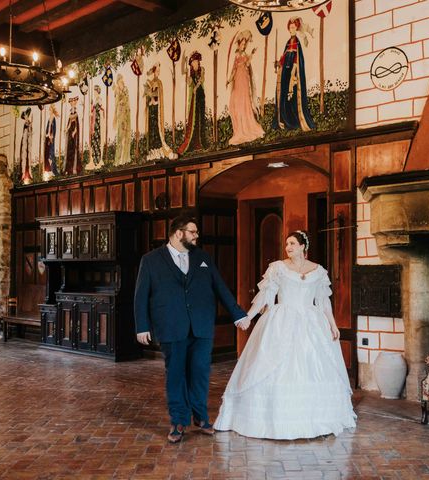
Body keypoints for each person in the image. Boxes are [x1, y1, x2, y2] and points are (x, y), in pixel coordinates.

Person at [215, 230, 356, 439]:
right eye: (286, 244)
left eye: (292, 243)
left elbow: (324, 301)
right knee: (274, 365)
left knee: (311, 365)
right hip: (282, 320)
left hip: (311, 322)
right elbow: (265, 296)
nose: (288, 247)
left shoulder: (318, 271)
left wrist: (333, 325)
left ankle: (314, 418)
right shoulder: (278, 268)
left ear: (302, 247)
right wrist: (248, 316)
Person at [134, 215, 248, 444]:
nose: (197, 236)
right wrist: (142, 326)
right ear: (179, 233)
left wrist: (238, 314)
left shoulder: (203, 257)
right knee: (175, 375)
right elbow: (140, 296)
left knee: (200, 374)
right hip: (171, 325)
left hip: (202, 326)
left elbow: (220, 287)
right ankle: (178, 421)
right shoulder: (151, 260)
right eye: (192, 232)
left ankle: (202, 418)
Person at [272, 17, 316, 132]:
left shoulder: (296, 42)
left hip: (293, 73)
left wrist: (293, 72)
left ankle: (294, 122)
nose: (291, 30)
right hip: (285, 73)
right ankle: (284, 121)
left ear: (296, 28)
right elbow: (284, 57)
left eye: (293, 28)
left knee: (292, 97)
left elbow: (297, 60)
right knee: (284, 96)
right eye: (290, 28)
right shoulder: (288, 43)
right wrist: (278, 63)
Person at [227, 30, 265, 145]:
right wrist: (229, 79)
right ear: (238, 44)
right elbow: (234, 69)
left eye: (244, 44)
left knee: (245, 100)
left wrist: (252, 54)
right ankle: (240, 129)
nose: (243, 46)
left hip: (244, 78)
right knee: (237, 101)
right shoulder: (237, 54)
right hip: (238, 78)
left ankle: (248, 126)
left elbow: (247, 64)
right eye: (242, 44)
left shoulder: (243, 54)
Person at [144, 63, 178, 161]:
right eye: (157, 70)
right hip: (152, 108)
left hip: (156, 108)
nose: (158, 72)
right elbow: (148, 95)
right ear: (154, 71)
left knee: (157, 128)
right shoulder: (150, 82)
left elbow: (159, 95)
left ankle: (159, 150)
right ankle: (152, 151)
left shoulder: (159, 82)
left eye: (159, 71)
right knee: (152, 129)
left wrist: (155, 100)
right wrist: (150, 99)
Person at [178, 51, 206, 155]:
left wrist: (196, 87)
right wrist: (183, 61)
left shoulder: (201, 70)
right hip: (194, 98)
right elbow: (183, 72)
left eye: (196, 61)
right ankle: (193, 143)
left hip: (200, 95)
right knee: (194, 119)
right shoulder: (190, 74)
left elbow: (201, 79)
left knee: (200, 118)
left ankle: (201, 142)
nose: (195, 63)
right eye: (193, 62)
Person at [113, 75, 131, 165]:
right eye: (120, 81)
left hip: (126, 114)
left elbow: (127, 101)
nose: (122, 82)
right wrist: (115, 117)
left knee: (127, 136)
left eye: (122, 81)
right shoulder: (117, 91)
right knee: (120, 137)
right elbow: (117, 104)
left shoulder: (125, 90)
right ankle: (119, 160)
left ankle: (126, 158)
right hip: (121, 115)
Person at [64, 97, 81, 175]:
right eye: (71, 103)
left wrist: (75, 131)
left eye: (73, 102)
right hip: (71, 131)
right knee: (70, 148)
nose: (72, 104)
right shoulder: (70, 113)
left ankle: (74, 167)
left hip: (74, 132)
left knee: (74, 148)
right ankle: (68, 167)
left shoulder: (76, 113)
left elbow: (77, 124)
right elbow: (70, 123)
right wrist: (67, 129)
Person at [43, 104, 58, 181]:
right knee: (47, 153)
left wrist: (51, 135)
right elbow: (47, 129)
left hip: (51, 139)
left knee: (50, 154)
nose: (49, 111)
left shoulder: (53, 119)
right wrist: (46, 134)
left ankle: (52, 169)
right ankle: (48, 169)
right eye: (48, 110)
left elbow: (53, 129)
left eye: (50, 110)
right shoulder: (49, 119)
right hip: (47, 138)